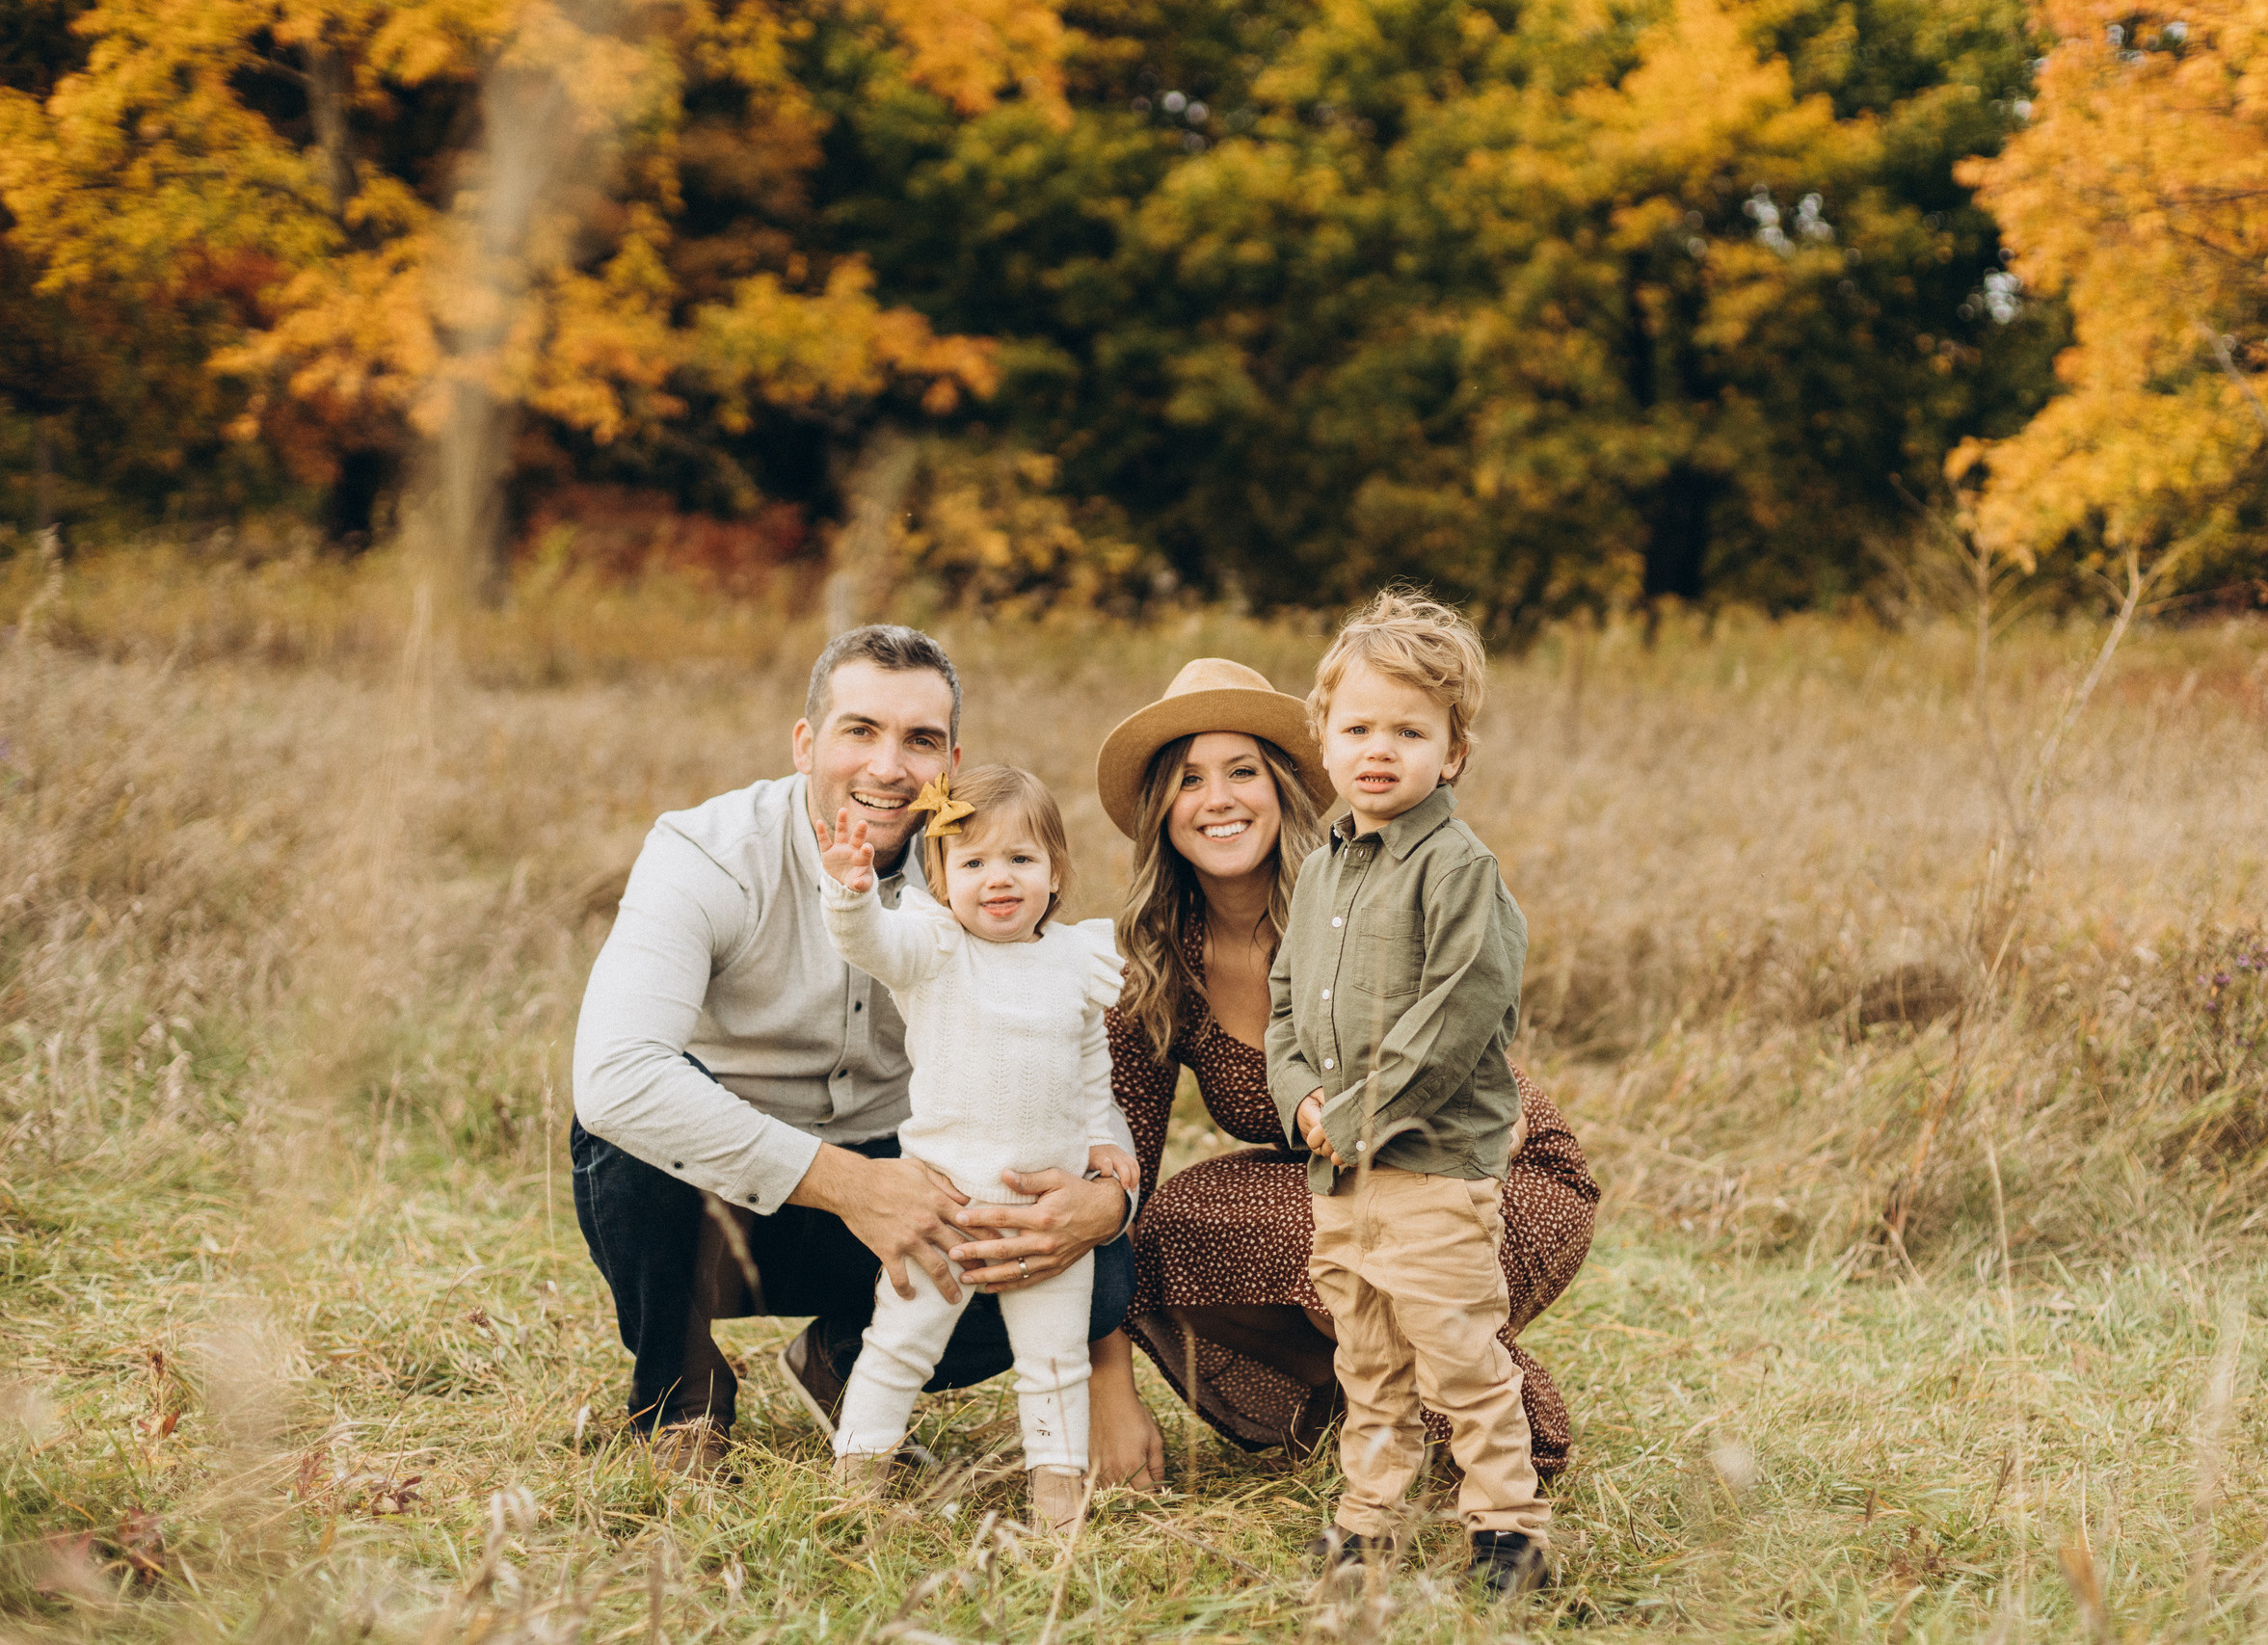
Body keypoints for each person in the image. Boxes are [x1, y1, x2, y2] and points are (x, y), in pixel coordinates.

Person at [569, 625, 1143, 1481]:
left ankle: (842, 1360)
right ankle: (681, 1397)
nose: (888, 766)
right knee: (629, 1132)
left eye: (920, 740)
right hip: (722, 1202)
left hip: (915, 1185)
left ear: (952, 758)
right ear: (806, 743)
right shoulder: (704, 853)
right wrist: (853, 1185)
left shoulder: (987, 874)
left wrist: (1110, 1194)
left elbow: (1064, 1051)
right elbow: (614, 1076)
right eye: (860, 730)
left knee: (1093, 1270)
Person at [1094, 657, 1596, 1512]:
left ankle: (1502, 1442)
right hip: (1332, 1177)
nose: (1217, 798)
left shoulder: (1356, 885)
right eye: (1188, 779)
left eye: (1242, 771)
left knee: (1369, 1245)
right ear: (1160, 812)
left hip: (1478, 1162)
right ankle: (1358, 1407)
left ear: (1289, 784)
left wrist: (1442, 1133)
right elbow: (1119, 1176)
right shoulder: (1156, 956)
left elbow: (1463, 1051)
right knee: (1168, 1225)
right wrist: (1106, 1389)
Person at [1268, 590, 1551, 1595]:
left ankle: (1507, 1533)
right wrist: (1300, 1096)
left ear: (1453, 751)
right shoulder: (1318, 873)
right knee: (1366, 1356)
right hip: (1338, 1175)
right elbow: (1286, 998)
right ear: (1325, 742)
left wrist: (1358, 1118)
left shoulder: (1457, 868)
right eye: (1356, 728)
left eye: (1408, 730)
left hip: (1427, 1170)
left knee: (1460, 1357)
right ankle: (1366, 1521)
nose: (1377, 749)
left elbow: (1459, 1013)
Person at [816, 767, 1138, 1527]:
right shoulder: (933, 949)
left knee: (1055, 1365)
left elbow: (1091, 1070)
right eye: (973, 862)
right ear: (941, 878)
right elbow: (870, 944)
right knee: (898, 1346)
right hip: (943, 1206)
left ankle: (1057, 1503)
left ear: (1055, 873)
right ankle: (855, 1479)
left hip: (1045, 1211)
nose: (999, 879)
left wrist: (1104, 1140)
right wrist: (853, 891)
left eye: (1021, 860)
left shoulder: (1075, 961)